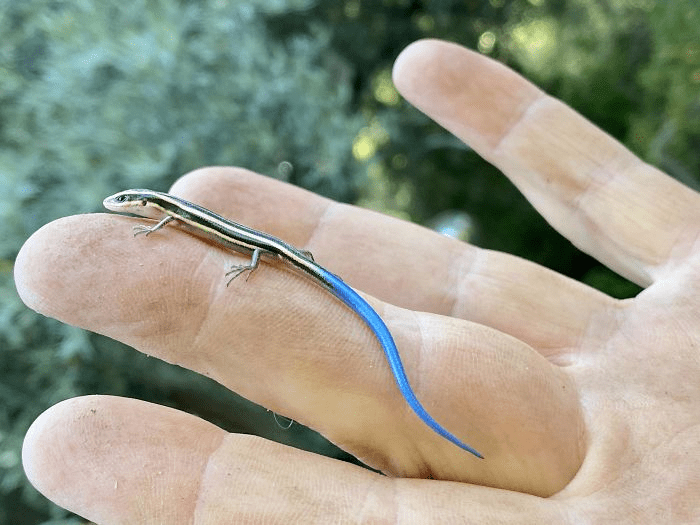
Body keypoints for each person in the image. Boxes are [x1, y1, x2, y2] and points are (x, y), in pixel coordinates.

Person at [15, 39, 699, 522]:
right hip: (267, 250)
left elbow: (238, 243)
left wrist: (251, 260)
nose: (129, 211)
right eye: (133, 208)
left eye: (132, 206)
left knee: (293, 276)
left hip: (269, 253)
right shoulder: (167, 219)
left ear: (146, 206)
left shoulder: (169, 218)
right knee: (318, 292)